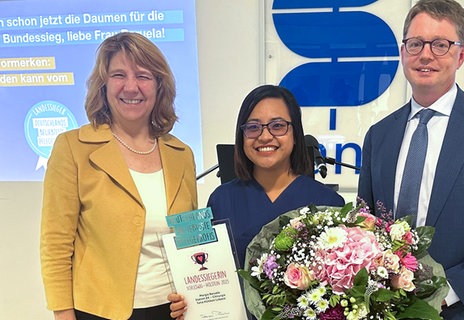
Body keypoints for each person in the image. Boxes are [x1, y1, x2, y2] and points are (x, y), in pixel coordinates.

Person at [357, 0, 464, 319]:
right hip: (383, 310)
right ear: (403, 52)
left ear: (461, 54)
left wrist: (447, 291)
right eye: (415, 44)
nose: (426, 55)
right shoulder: (378, 135)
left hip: (460, 309)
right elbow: (364, 223)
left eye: (440, 44)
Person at [40, 32, 198, 320]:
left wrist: (195, 295)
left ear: (159, 85)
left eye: (143, 76)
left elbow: (188, 238)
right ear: (104, 84)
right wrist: (63, 315)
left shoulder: (181, 154)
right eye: (118, 75)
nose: (131, 86)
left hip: (172, 311)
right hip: (98, 312)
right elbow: (56, 245)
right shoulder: (73, 148)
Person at [168, 84, 345, 319]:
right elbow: (204, 273)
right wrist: (190, 303)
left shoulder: (327, 203)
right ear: (242, 136)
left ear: (295, 134)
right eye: (253, 127)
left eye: (278, 126)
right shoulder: (221, 199)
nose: (264, 136)